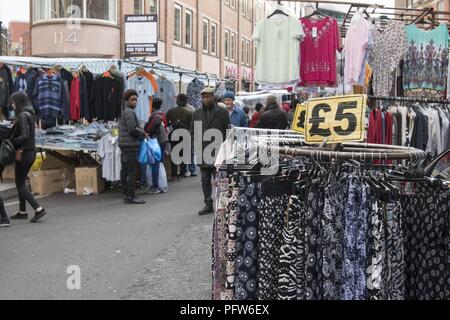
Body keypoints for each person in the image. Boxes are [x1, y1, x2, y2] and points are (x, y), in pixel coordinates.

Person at [8, 92, 47, 222]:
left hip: (24, 153)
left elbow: (24, 135)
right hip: (29, 152)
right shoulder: (30, 113)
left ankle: (38, 208)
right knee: (20, 182)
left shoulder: (22, 115)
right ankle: (22, 211)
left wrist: (12, 142)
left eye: (13, 102)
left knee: (20, 184)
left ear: (18, 102)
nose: (12, 105)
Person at [192, 87, 230, 215]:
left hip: (219, 151)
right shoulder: (196, 113)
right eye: (203, 97)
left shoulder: (223, 112)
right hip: (203, 151)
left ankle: (222, 204)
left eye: (208, 96)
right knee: (204, 180)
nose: (205, 99)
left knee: (220, 179)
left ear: (213, 97)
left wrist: (226, 149)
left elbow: (228, 132)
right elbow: (193, 132)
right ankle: (208, 203)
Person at [119, 89, 146, 205]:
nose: (134, 102)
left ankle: (126, 194)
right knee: (132, 171)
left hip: (125, 145)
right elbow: (132, 129)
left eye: (136, 99)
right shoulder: (129, 112)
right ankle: (130, 196)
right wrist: (142, 133)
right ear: (127, 101)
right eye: (132, 100)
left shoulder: (125, 111)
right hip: (130, 145)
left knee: (125, 170)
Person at [145, 98, 169, 194]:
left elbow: (149, 129)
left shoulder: (155, 116)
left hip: (156, 142)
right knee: (159, 164)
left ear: (152, 106)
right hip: (162, 140)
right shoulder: (162, 114)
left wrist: (146, 129)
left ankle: (155, 186)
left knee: (155, 164)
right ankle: (160, 184)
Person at [166, 94, 193, 180]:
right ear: (185, 101)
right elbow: (192, 125)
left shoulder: (170, 111)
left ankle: (174, 175)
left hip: (174, 135)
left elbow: (167, 123)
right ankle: (182, 173)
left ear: (177, 101)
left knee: (174, 155)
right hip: (185, 135)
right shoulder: (189, 112)